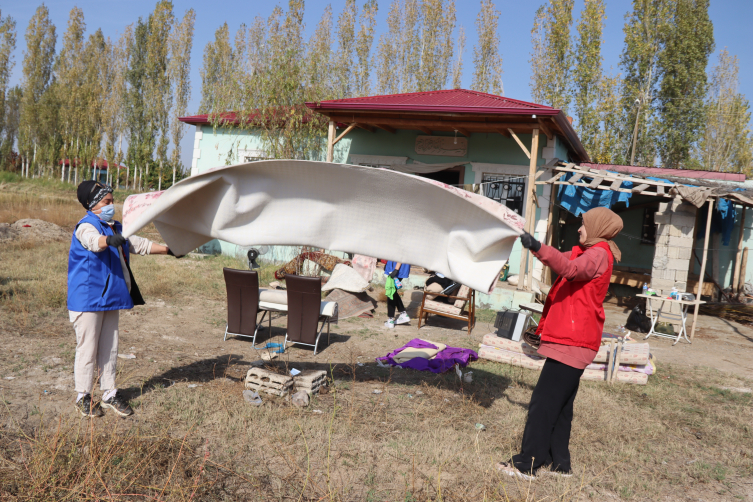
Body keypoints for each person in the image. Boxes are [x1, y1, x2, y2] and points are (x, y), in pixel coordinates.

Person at [497, 207, 623, 480]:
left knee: (542, 405)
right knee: (562, 407)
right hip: (575, 342)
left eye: (583, 224)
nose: (579, 229)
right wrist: (532, 245)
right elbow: (557, 259)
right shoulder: (587, 252)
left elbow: (570, 269)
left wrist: (535, 244)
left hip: (573, 343)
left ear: (598, 227)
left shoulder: (598, 254)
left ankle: (526, 464)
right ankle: (559, 463)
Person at [68, 181, 180, 418]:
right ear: (92, 203)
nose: (112, 205)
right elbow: (91, 241)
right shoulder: (85, 226)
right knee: (88, 348)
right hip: (87, 299)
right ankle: (83, 397)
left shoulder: (115, 226)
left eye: (112, 200)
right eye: (107, 201)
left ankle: (109, 394)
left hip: (110, 297)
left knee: (109, 347)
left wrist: (170, 250)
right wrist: (108, 241)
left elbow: (138, 244)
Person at [383, 260, 411, 329]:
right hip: (397, 267)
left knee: (391, 292)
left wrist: (396, 269)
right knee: (393, 291)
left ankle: (390, 319)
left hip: (397, 268)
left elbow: (401, 255)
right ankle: (403, 313)